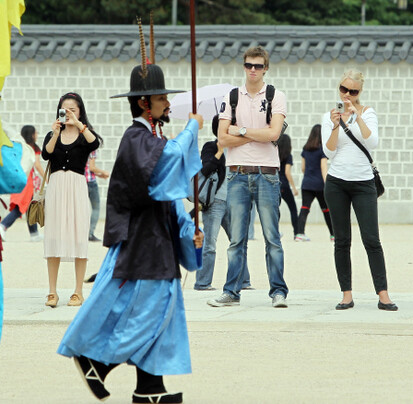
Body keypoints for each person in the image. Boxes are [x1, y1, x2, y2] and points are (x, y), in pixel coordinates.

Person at [57, 59, 204, 404]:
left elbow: (168, 199)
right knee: (150, 311)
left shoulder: (152, 138)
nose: (168, 104)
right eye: (161, 98)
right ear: (143, 103)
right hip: (143, 242)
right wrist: (192, 130)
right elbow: (162, 173)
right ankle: (96, 361)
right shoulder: (136, 137)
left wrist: (187, 230)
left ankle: (149, 388)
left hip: (156, 238)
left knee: (159, 313)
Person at [208, 46, 289, 308]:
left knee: (272, 237)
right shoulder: (231, 97)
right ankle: (232, 291)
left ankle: (278, 290)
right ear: (243, 66)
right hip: (237, 174)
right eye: (248, 65)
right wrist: (257, 133)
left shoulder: (276, 96)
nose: (252, 70)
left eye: (257, 65)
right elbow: (221, 138)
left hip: (267, 174)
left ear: (266, 68)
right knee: (236, 239)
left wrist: (240, 131)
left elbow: (275, 134)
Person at [322, 69, 397, 311]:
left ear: (360, 92)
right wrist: (335, 126)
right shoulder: (329, 116)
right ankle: (346, 294)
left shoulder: (369, 112)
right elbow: (329, 152)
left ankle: (383, 294)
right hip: (336, 181)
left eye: (353, 91)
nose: (347, 95)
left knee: (371, 239)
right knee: (341, 240)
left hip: (364, 182)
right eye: (344, 89)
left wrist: (358, 116)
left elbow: (372, 141)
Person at [42, 93, 101, 308]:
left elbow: (95, 144)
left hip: (77, 187)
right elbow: (46, 155)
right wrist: (56, 133)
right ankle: (52, 292)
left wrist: (79, 125)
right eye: (64, 109)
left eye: (72, 109)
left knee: (78, 236)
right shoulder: (52, 133)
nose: (67, 113)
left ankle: (78, 291)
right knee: (53, 237)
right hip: (56, 187)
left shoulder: (86, 134)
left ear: (80, 111)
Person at [195, 114, 252, 291]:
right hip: (215, 202)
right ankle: (203, 283)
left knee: (238, 242)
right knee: (210, 244)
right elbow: (206, 169)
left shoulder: (238, 148)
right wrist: (220, 150)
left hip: (234, 201)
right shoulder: (211, 147)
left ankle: (243, 281)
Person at [0, 125, 45, 242]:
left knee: (29, 205)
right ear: (32, 135)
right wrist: (46, 177)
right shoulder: (33, 148)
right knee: (21, 206)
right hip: (27, 180)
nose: (37, 135)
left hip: (20, 176)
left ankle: (34, 233)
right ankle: (3, 225)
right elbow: (37, 165)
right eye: (36, 133)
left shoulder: (20, 146)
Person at [296, 124, 333, 242]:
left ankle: (299, 233)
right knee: (326, 210)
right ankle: (333, 235)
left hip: (307, 183)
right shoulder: (322, 150)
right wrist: (327, 183)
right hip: (319, 185)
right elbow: (324, 168)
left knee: (304, 208)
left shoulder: (305, 149)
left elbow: (303, 168)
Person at [277, 134, 299, 239]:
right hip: (284, 185)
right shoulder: (288, 156)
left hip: (275, 184)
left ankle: (275, 232)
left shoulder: (274, 154)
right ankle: (297, 233)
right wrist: (294, 188)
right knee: (293, 209)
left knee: (275, 209)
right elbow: (287, 172)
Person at [85, 151, 109, 242]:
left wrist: (100, 175)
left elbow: (86, 170)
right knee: (96, 208)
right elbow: (92, 167)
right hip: (91, 183)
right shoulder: (91, 149)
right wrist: (104, 172)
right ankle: (90, 234)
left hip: (80, 183)